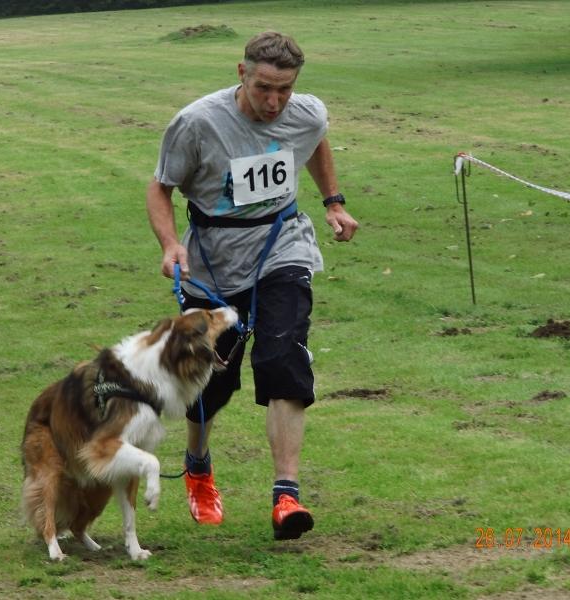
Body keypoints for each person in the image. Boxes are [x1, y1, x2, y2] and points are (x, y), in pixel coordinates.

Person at [146, 31, 358, 540]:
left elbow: (314, 138)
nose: (274, 102)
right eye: (264, 87)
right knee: (210, 381)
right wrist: (170, 245)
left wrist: (333, 201)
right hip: (213, 261)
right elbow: (161, 187)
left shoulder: (306, 112)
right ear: (241, 73)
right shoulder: (197, 122)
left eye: (285, 89)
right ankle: (198, 465)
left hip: (283, 245)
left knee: (283, 357)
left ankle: (286, 495)